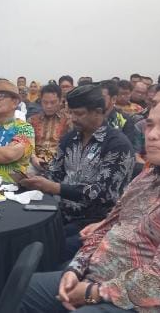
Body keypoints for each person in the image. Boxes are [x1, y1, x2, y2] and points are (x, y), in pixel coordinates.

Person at [19, 91, 160, 313]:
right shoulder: (152, 174)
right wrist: (75, 269)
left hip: (147, 304)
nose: (152, 134)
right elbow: (109, 224)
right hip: (100, 277)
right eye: (150, 125)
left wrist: (93, 291)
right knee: (19, 289)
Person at [21, 85, 134, 260]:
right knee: (26, 239)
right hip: (62, 213)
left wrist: (56, 188)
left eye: (78, 114)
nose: (72, 118)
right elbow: (54, 172)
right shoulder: (70, 138)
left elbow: (104, 194)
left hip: (97, 221)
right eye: (70, 113)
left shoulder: (117, 144)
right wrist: (34, 180)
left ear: (98, 112)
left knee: (46, 251)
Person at [28, 84, 72, 172]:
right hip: (35, 162)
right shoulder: (32, 120)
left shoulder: (68, 121)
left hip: (60, 164)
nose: (49, 106)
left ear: (60, 101)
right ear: (40, 101)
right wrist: (33, 158)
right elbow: (27, 143)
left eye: (53, 102)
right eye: (45, 102)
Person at [100, 81, 137, 150]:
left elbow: (127, 147)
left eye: (102, 97)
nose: (97, 100)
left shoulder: (124, 119)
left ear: (113, 99)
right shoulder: (90, 118)